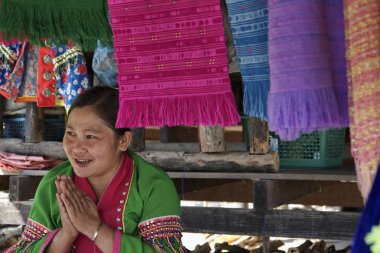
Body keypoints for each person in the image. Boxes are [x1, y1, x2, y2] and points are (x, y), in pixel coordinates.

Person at [5, 86, 188, 253]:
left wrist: (94, 228)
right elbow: (25, 249)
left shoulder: (153, 186)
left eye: (90, 136)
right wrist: (67, 234)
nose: (77, 147)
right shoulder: (54, 183)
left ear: (123, 141)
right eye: (70, 134)